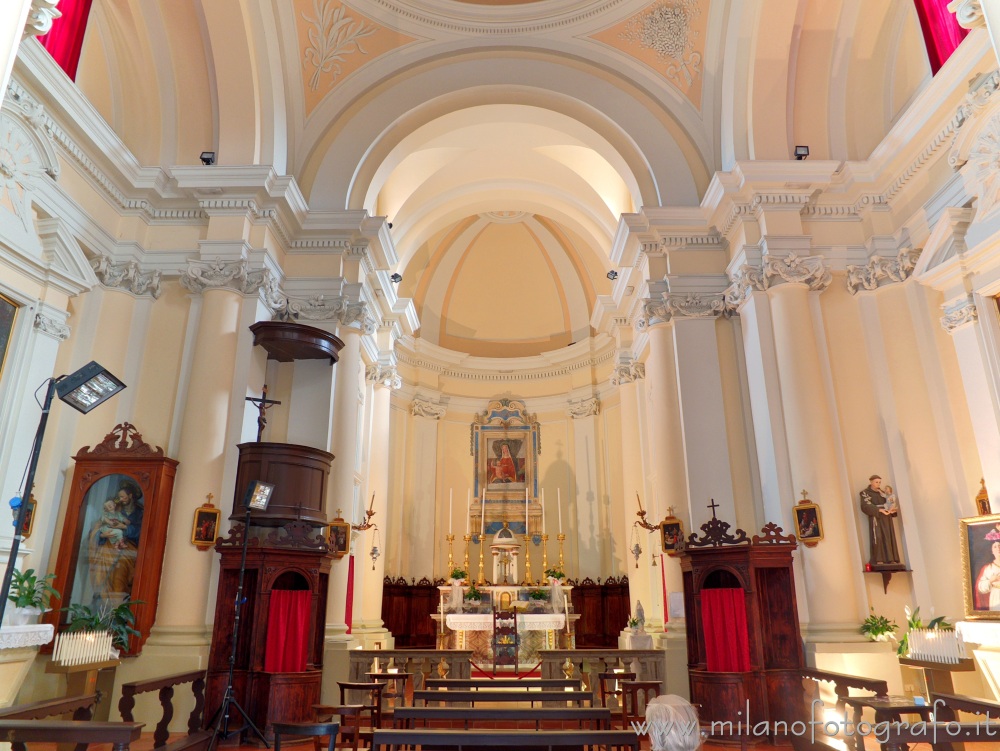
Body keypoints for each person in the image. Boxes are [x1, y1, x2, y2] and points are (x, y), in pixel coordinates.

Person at [88, 479, 143, 604]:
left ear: (131, 496)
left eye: (123, 497)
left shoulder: (140, 513)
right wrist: (102, 534)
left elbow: (144, 533)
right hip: (109, 548)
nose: (121, 499)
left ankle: (117, 609)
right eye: (119, 497)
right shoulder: (114, 509)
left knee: (119, 578)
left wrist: (125, 528)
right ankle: (104, 607)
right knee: (103, 579)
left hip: (128, 551)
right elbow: (95, 529)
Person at [859, 474, 900, 565]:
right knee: (878, 537)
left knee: (889, 536)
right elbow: (865, 506)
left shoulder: (883, 493)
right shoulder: (865, 493)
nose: (878, 484)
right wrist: (879, 510)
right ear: (871, 482)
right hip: (876, 517)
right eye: (876, 482)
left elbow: (889, 501)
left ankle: (891, 559)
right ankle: (878, 559)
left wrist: (892, 509)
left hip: (886, 517)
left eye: (879, 482)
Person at [975, 532, 1000, 610]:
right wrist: (991, 581)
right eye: (995, 547)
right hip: (996, 597)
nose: (998, 548)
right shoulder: (988, 568)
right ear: (992, 551)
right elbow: (980, 587)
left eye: (999, 546)